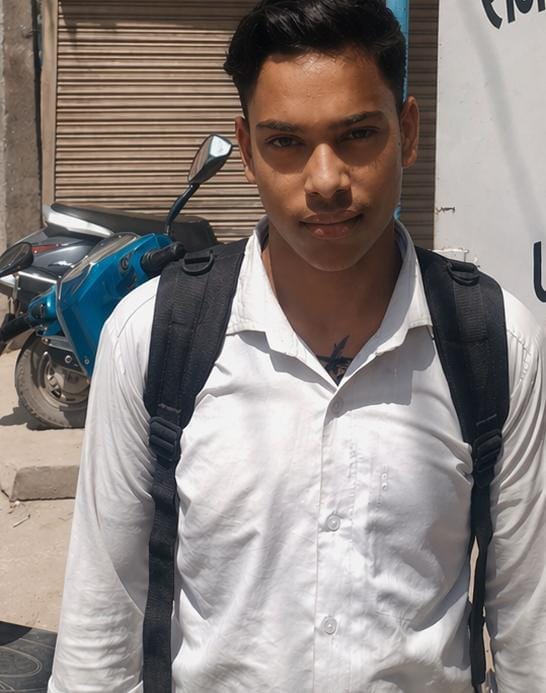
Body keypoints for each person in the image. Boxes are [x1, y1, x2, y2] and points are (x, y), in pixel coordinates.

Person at [48, 1, 546, 691]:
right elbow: (100, 636)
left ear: (407, 133)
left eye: (358, 134)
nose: (326, 180)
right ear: (247, 150)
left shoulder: (493, 342)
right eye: (285, 141)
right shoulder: (154, 334)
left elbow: (529, 627)